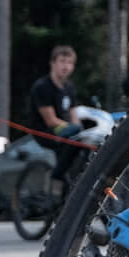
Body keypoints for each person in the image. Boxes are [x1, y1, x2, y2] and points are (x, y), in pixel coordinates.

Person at [27, 45, 83, 178]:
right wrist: (74, 128)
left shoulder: (70, 88)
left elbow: (74, 115)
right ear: (53, 63)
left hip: (64, 129)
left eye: (69, 63)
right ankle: (57, 177)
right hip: (45, 131)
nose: (66, 66)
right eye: (62, 61)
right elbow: (51, 121)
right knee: (74, 134)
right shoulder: (42, 87)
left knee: (85, 137)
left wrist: (81, 130)